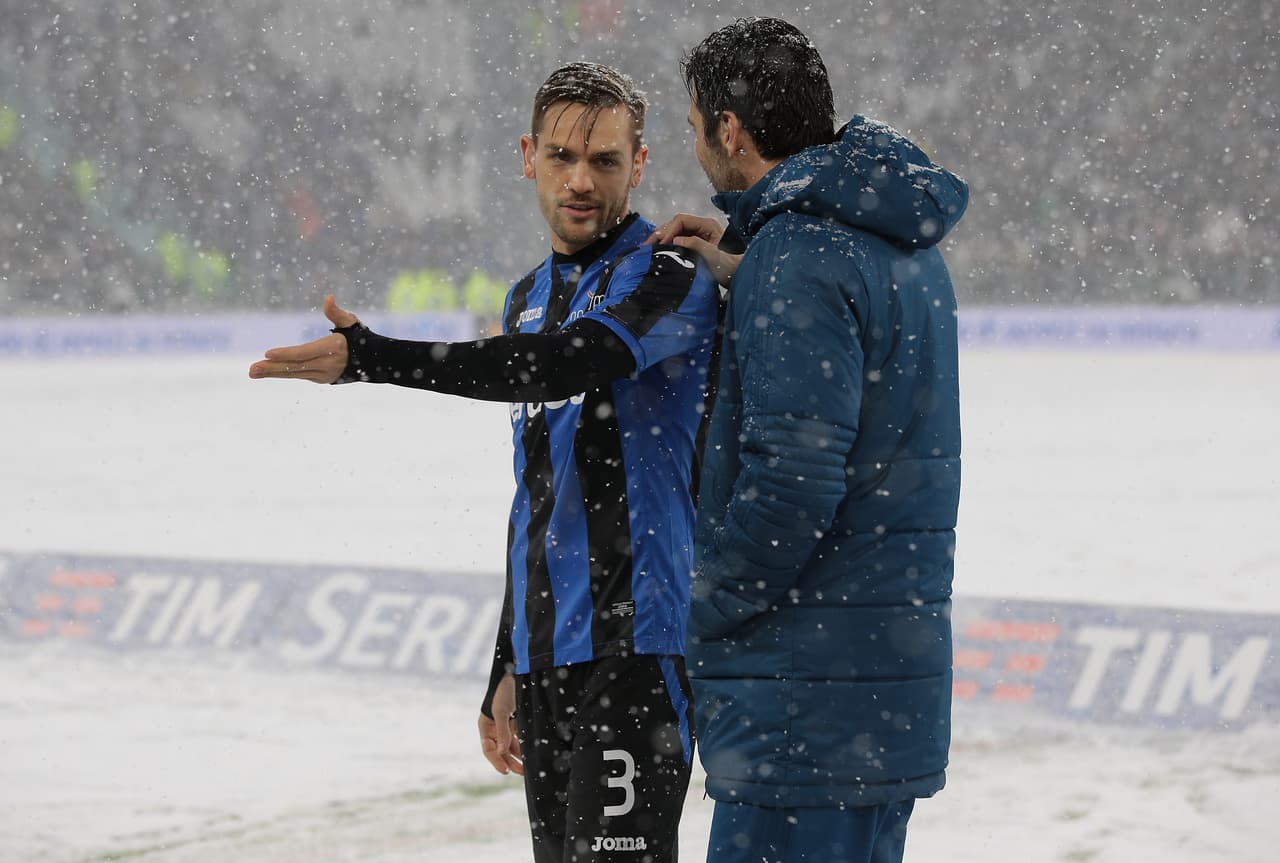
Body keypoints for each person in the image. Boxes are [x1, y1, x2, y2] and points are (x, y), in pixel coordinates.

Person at [249, 62, 721, 863]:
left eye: (605, 160)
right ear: (527, 154)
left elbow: (568, 362)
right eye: (562, 156)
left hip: (636, 651)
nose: (581, 180)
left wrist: (375, 357)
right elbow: (536, 493)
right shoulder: (526, 296)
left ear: (639, 165)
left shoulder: (667, 273)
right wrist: (508, 656)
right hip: (548, 661)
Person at [647, 18, 970, 863]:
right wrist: (751, 266)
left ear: (731, 130)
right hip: (874, 695)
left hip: (802, 716)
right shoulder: (890, 236)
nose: (698, 148)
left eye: (693, 127)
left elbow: (791, 485)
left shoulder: (799, 255)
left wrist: (703, 608)